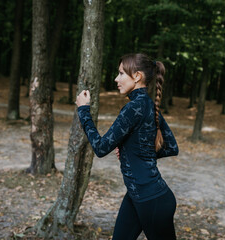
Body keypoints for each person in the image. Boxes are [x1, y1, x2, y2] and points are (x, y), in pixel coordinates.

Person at [76, 53, 179, 240]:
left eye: (121, 73)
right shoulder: (148, 104)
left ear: (137, 76)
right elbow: (171, 146)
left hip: (152, 200)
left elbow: (100, 148)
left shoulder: (134, 108)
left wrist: (83, 110)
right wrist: (131, 152)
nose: (116, 79)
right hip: (137, 196)